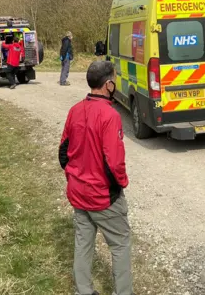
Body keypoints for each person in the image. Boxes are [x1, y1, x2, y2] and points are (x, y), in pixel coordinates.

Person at [59, 61, 132, 295]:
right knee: (120, 245)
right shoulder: (110, 116)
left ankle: (84, 290)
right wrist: (119, 186)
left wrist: (76, 176)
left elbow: (63, 152)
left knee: (83, 243)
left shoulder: (75, 110)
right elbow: (115, 162)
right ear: (108, 84)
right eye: (115, 79)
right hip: (102, 196)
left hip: (78, 192)